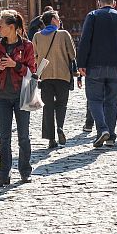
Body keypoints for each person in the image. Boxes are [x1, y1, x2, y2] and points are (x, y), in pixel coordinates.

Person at [76, 0, 117, 148]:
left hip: (95, 65)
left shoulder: (93, 16)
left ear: (98, 2)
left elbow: (85, 40)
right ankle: (111, 137)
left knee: (94, 99)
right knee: (112, 101)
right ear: (114, 3)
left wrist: (81, 63)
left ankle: (102, 129)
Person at [0, 10, 36, 186]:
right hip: (2, 95)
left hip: (22, 94)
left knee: (23, 136)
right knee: (4, 137)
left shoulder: (27, 46)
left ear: (12, 27)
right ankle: (3, 174)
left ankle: (25, 171)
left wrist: (15, 65)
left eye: (1, 26)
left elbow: (32, 71)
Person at [33, 10, 76, 148]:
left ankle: (51, 138)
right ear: (52, 19)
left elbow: (34, 55)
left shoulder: (37, 36)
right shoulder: (63, 34)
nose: (59, 20)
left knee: (48, 107)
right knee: (62, 104)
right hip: (63, 75)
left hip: (45, 76)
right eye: (57, 18)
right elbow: (73, 54)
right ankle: (60, 127)